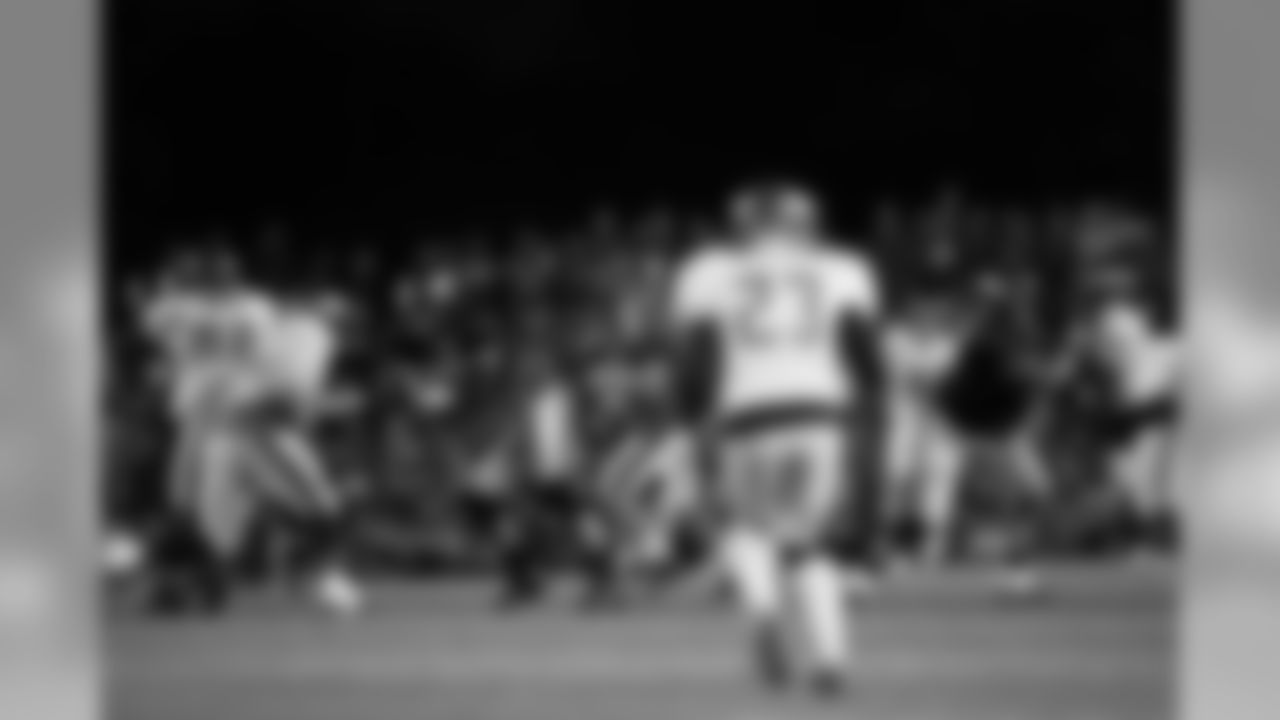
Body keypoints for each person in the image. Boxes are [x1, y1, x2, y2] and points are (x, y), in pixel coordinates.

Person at [669, 180, 882, 697]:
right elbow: (865, 355)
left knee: (744, 525)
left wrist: (690, 418)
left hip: (746, 412)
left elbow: (695, 359)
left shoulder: (710, 272)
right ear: (806, 224)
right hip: (819, 409)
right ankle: (830, 659)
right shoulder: (841, 269)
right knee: (810, 541)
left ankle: (763, 613)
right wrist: (866, 414)